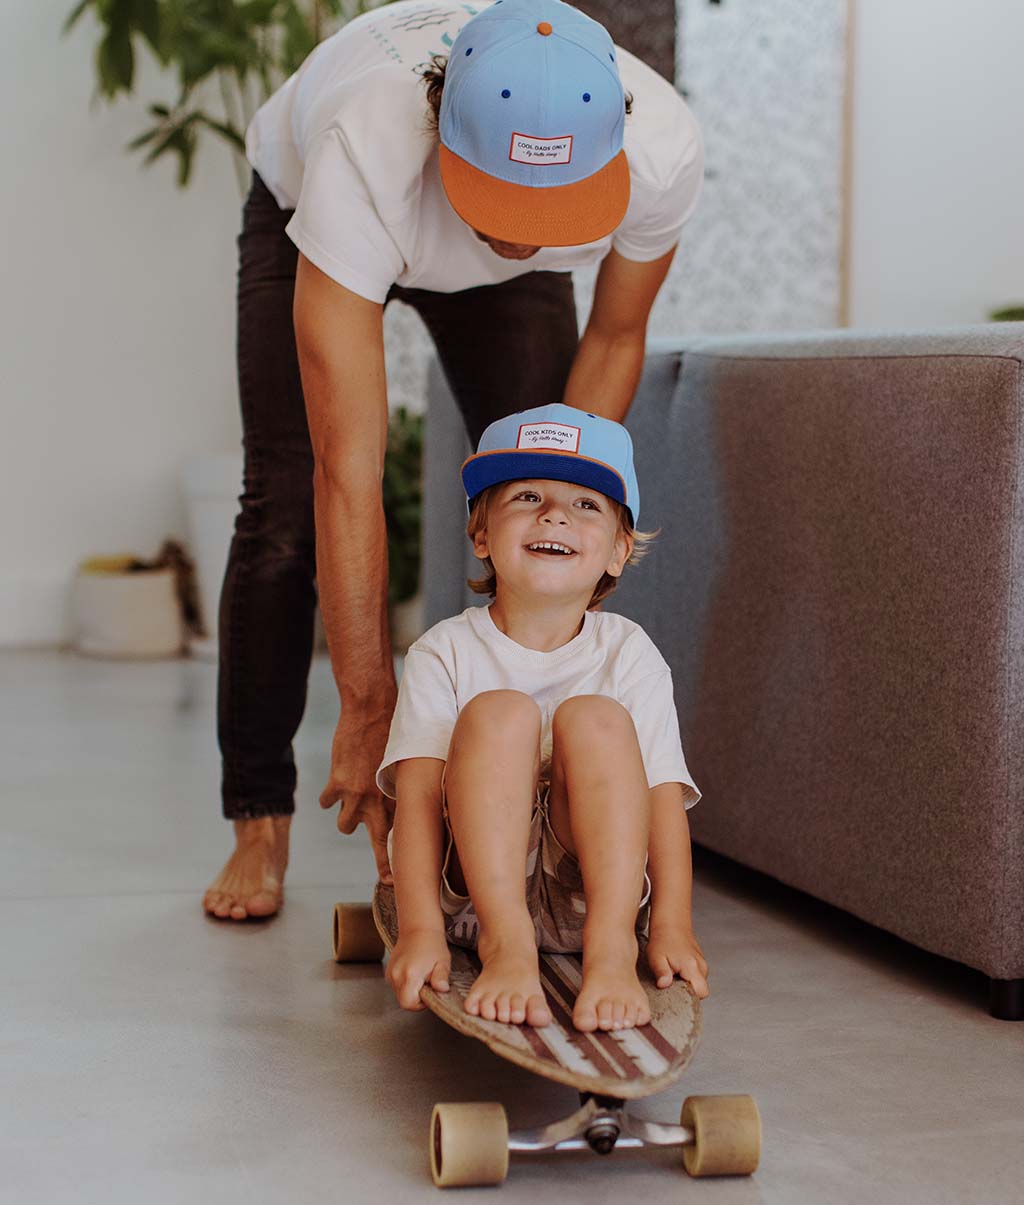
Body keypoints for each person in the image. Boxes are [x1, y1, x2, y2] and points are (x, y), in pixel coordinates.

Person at [202, 0, 705, 921]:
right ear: (445, 136)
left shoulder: (662, 147)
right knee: (279, 503)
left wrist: (563, 515)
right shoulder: (368, 150)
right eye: (508, 202)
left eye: (546, 209)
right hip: (307, 212)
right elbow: (345, 467)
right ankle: (259, 814)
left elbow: (616, 335)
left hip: (494, 272)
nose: (522, 234)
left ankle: (523, 806)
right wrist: (366, 705)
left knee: (538, 484)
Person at [378, 404, 709, 1032]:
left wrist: (670, 924)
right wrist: (419, 929)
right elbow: (417, 799)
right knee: (500, 714)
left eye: (587, 504)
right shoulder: (443, 651)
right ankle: (510, 946)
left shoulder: (629, 653)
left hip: (587, 901)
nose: (554, 513)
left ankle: (610, 950)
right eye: (527, 496)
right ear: (481, 536)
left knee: (595, 720)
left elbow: (663, 796)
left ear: (617, 550)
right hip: (475, 901)